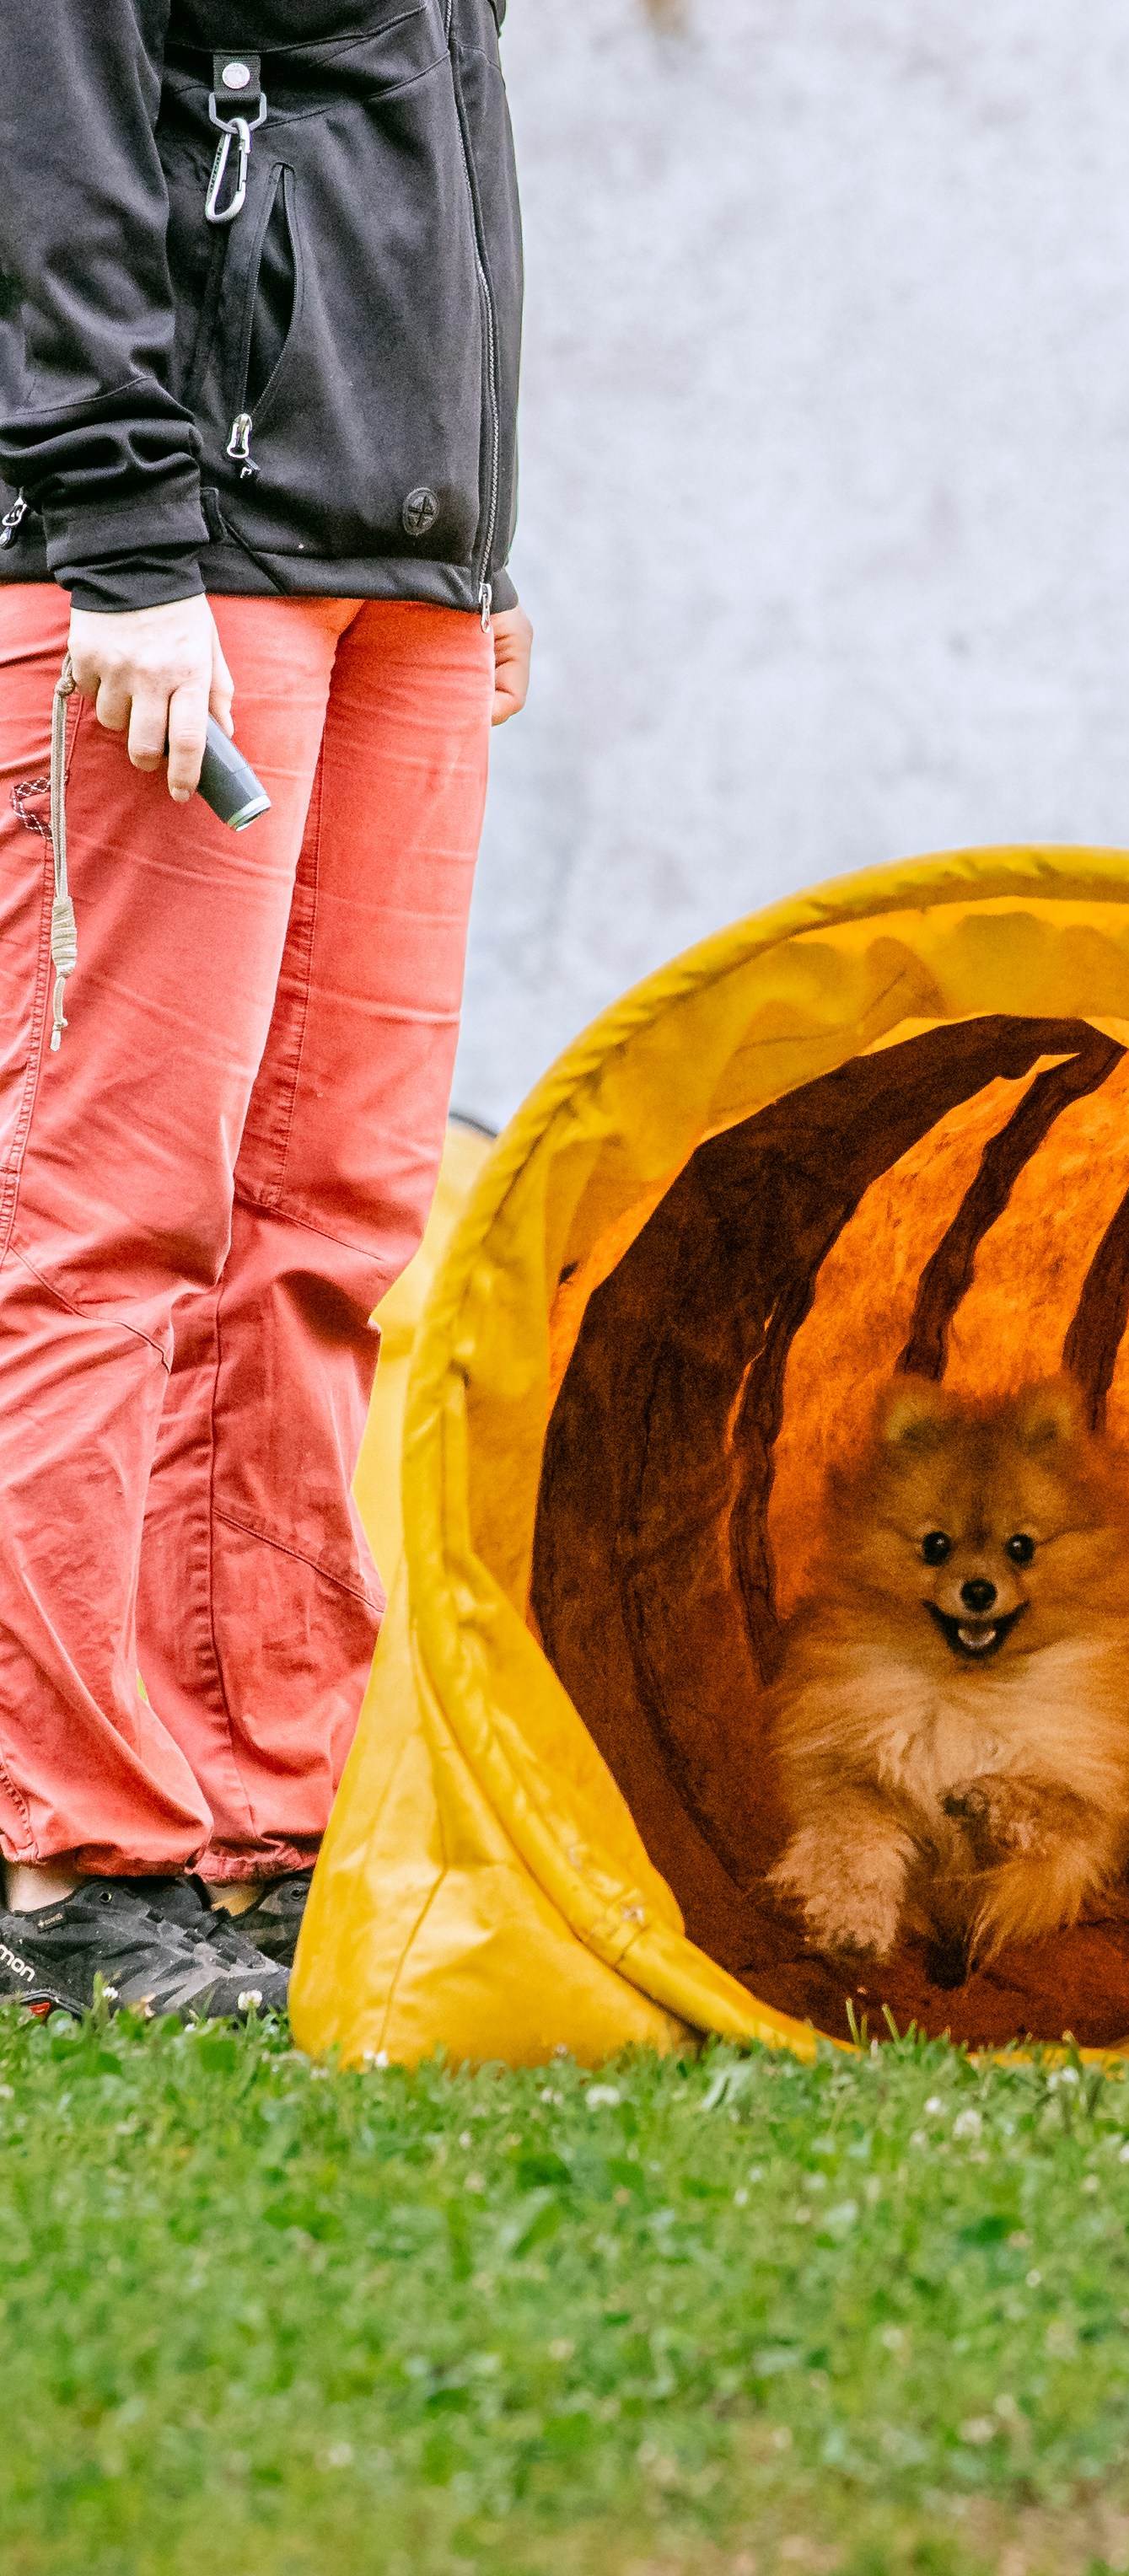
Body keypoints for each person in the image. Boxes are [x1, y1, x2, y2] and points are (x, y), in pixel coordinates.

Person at [0, 5, 530, 2016]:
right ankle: (71, 1860)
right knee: (113, 1220)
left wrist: (471, 531)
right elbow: (46, 128)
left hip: (394, 564)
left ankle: (263, 1824)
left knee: (333, 1224)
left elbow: (418, 148)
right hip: (168, 560)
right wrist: (116, 534)